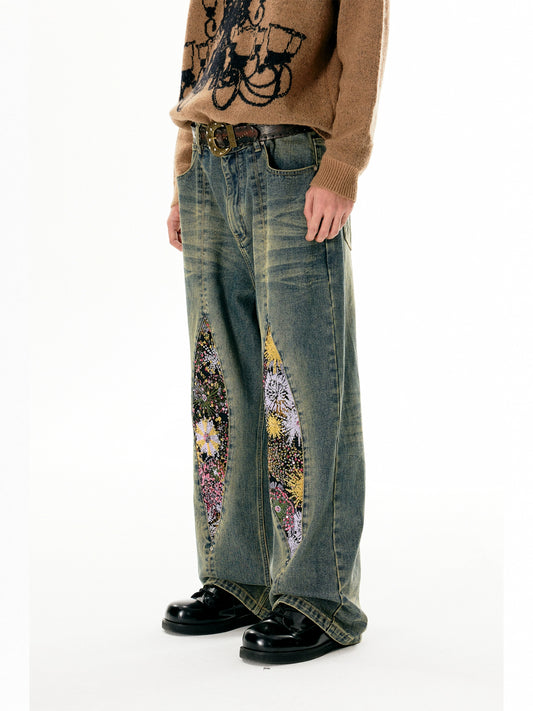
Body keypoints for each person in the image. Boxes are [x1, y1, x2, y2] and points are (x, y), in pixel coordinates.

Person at [163, 0, 389, 665]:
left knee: (303, 386)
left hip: (290, 164)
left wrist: (342, 165)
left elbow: (363, 43)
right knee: (220, 383)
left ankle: (320, 595)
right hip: (210, 161)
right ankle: (238, 575)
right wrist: (184, 165)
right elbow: (202, 41)